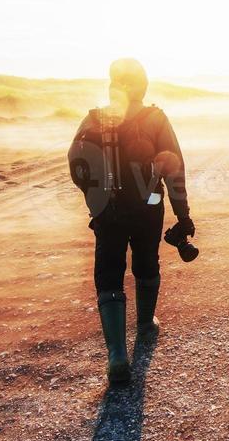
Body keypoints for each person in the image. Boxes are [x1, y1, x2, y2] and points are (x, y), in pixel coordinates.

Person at [68, 59, 194, 386]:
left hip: (106, 212)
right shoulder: (155, 118)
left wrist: (95, 200)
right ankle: (146, 323)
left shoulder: (94, 118)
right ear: (144, 85)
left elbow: (77, 166)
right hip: (147, 207)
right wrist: (182, 214)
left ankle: (117, 356)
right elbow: (174, 168)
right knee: (146, 263)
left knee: (109, 275)